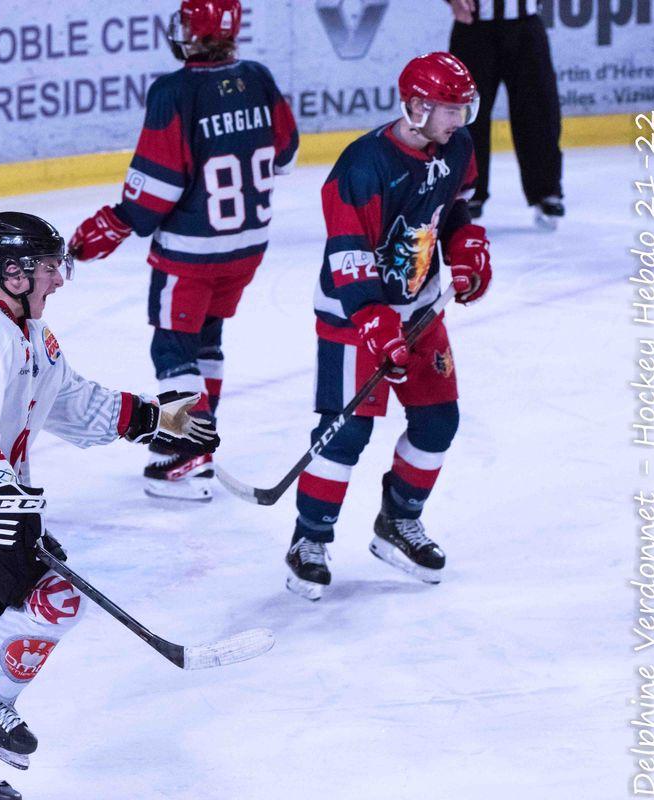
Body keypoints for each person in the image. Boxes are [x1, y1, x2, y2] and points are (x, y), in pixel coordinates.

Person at [0, 212, 219, 799]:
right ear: (16, 274)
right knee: (55, 598)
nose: (59, 278)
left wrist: (152, 419)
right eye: (50, 267)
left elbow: (72, 401)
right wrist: (0, 487)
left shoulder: (34, 338)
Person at [68, 0, 298, 501]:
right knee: (207, 338)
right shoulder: (258, 77)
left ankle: (190, 454)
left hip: (192, 253)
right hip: (248, 246)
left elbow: (157, 187)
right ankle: (200, 437)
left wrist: (113, 225)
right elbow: (286, 153)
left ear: (191, 33)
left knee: (173, 346)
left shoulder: (175, 91)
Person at [284, 52, 493, 601]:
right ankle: (309, 540)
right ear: (418, 107)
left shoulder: (460, 148)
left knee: (437, 423)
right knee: (346, 431)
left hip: (422, 311)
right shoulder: (363, 165)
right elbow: (347, 255)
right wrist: (376, 325)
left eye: (463, 109)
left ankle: (398, 523)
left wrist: (468, 251)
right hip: (354, 317)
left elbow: (453, 215)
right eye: (451, 110)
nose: (460, 121)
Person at [446, 0, 564, 228]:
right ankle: (468, 193)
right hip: (473, 27)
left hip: (526, 25)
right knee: (467, 114)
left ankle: (546, 190)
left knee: (539, 111)